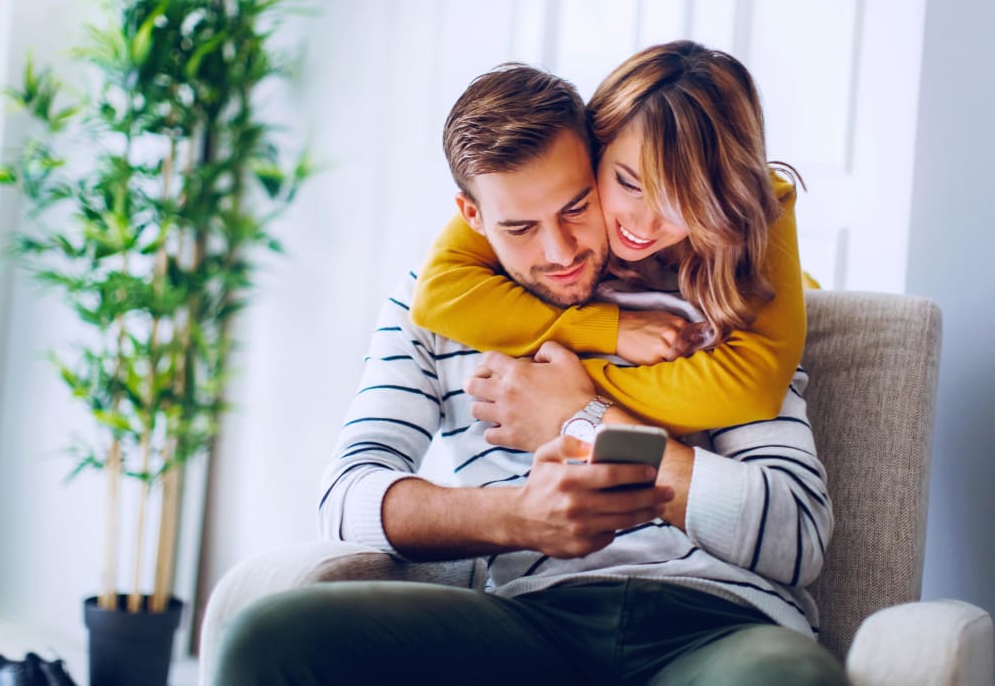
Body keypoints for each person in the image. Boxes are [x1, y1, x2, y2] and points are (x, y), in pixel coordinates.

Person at [212, 48, 846, 685]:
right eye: (519, 227)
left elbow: (795, 536)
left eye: (576, 207)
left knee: (786, 677)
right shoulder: (432, 306)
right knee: (272, 637)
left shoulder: (718, 295)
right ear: (472, 217)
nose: (561, 251)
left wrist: (584, 420)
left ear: (593, 163)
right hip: (534, 623)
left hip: (721, 623)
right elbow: (346, 499)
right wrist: (520, 517)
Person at [410, 40, 809, 439]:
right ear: (596, 143)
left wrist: (566, 396)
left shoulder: (754, 201)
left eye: (683, 203)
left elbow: (752, 387)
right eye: (629, 184)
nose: (645, 225)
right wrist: (608, 330)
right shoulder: (540, 182)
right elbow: (438, 294)